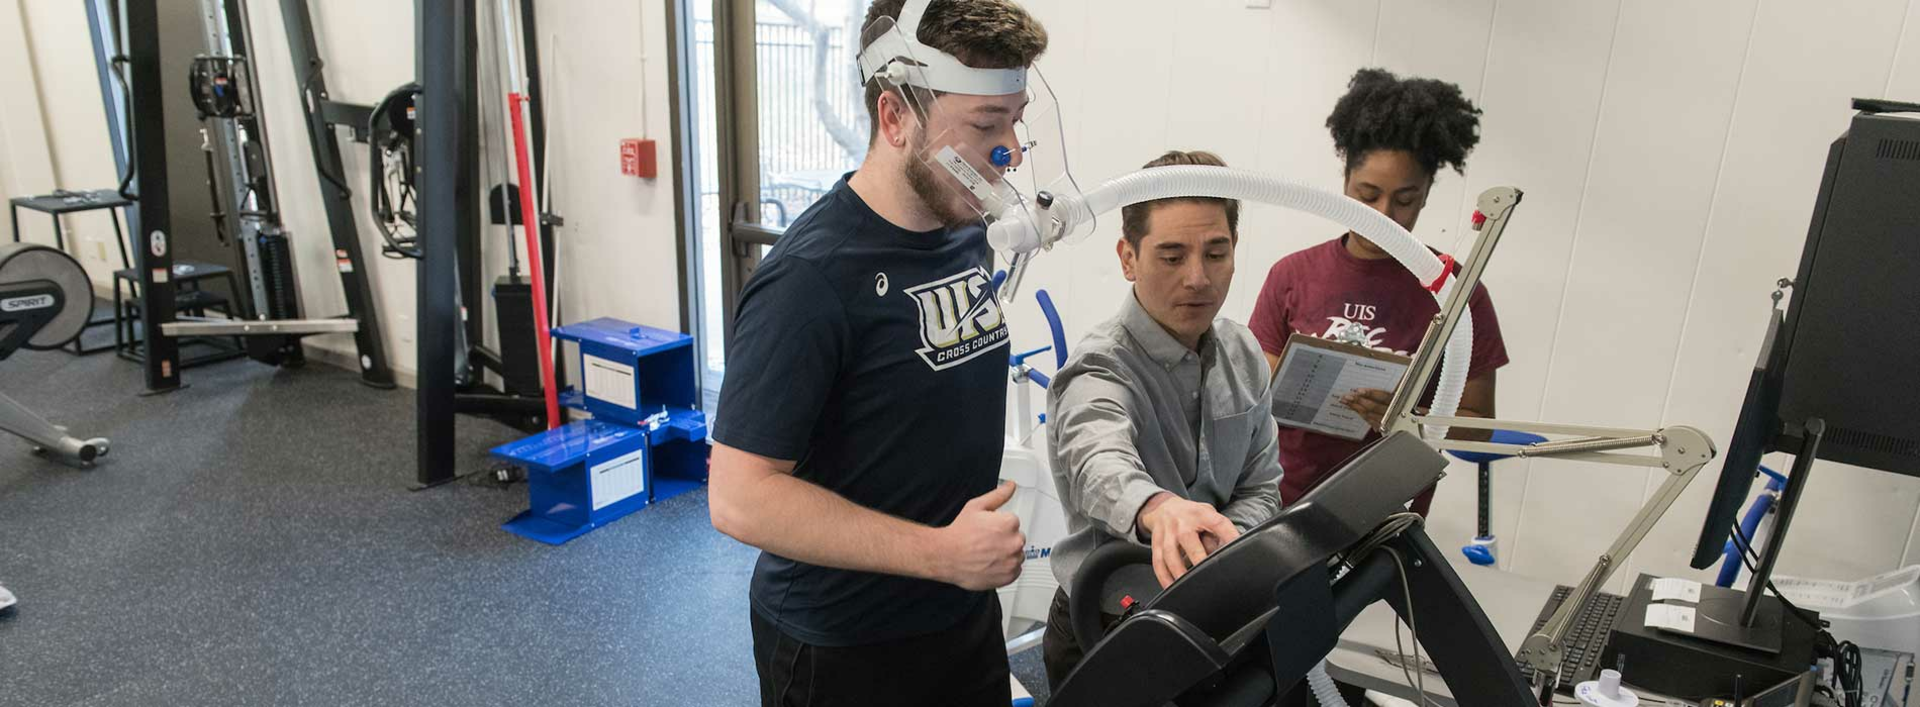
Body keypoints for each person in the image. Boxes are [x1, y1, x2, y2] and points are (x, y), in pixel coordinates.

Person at [704, 1, 1049, 705]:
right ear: (894, 117)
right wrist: (941, 553)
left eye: (1015, 119)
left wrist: (957, 566)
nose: (1010, 149)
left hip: (958, 613)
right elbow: (739, 498)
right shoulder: (811, 278)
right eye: (986, 126)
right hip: (845, 645)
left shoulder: (967, 226)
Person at [1041, 150, 1285, 689]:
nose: (1198, 279)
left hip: (1218, 614)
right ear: (1128, 258)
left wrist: (1215, 548)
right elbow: (1096, 460)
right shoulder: (1101, 366)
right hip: (1107, 624)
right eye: (1172, 256)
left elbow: (1263, 489)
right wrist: (1159, 509)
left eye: (1215, 253)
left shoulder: (1244, 353)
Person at [1248, 67, 1509, 516]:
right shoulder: (1292, 274)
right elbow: (1255, 394)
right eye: (1367, 195)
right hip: (1281, 505)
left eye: (1404, 199)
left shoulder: (1458, 292)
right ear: (1344, 182)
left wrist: (1405, 417)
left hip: (1386, 512)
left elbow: (1477, 427)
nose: (1384, 215)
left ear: (1426, 194)